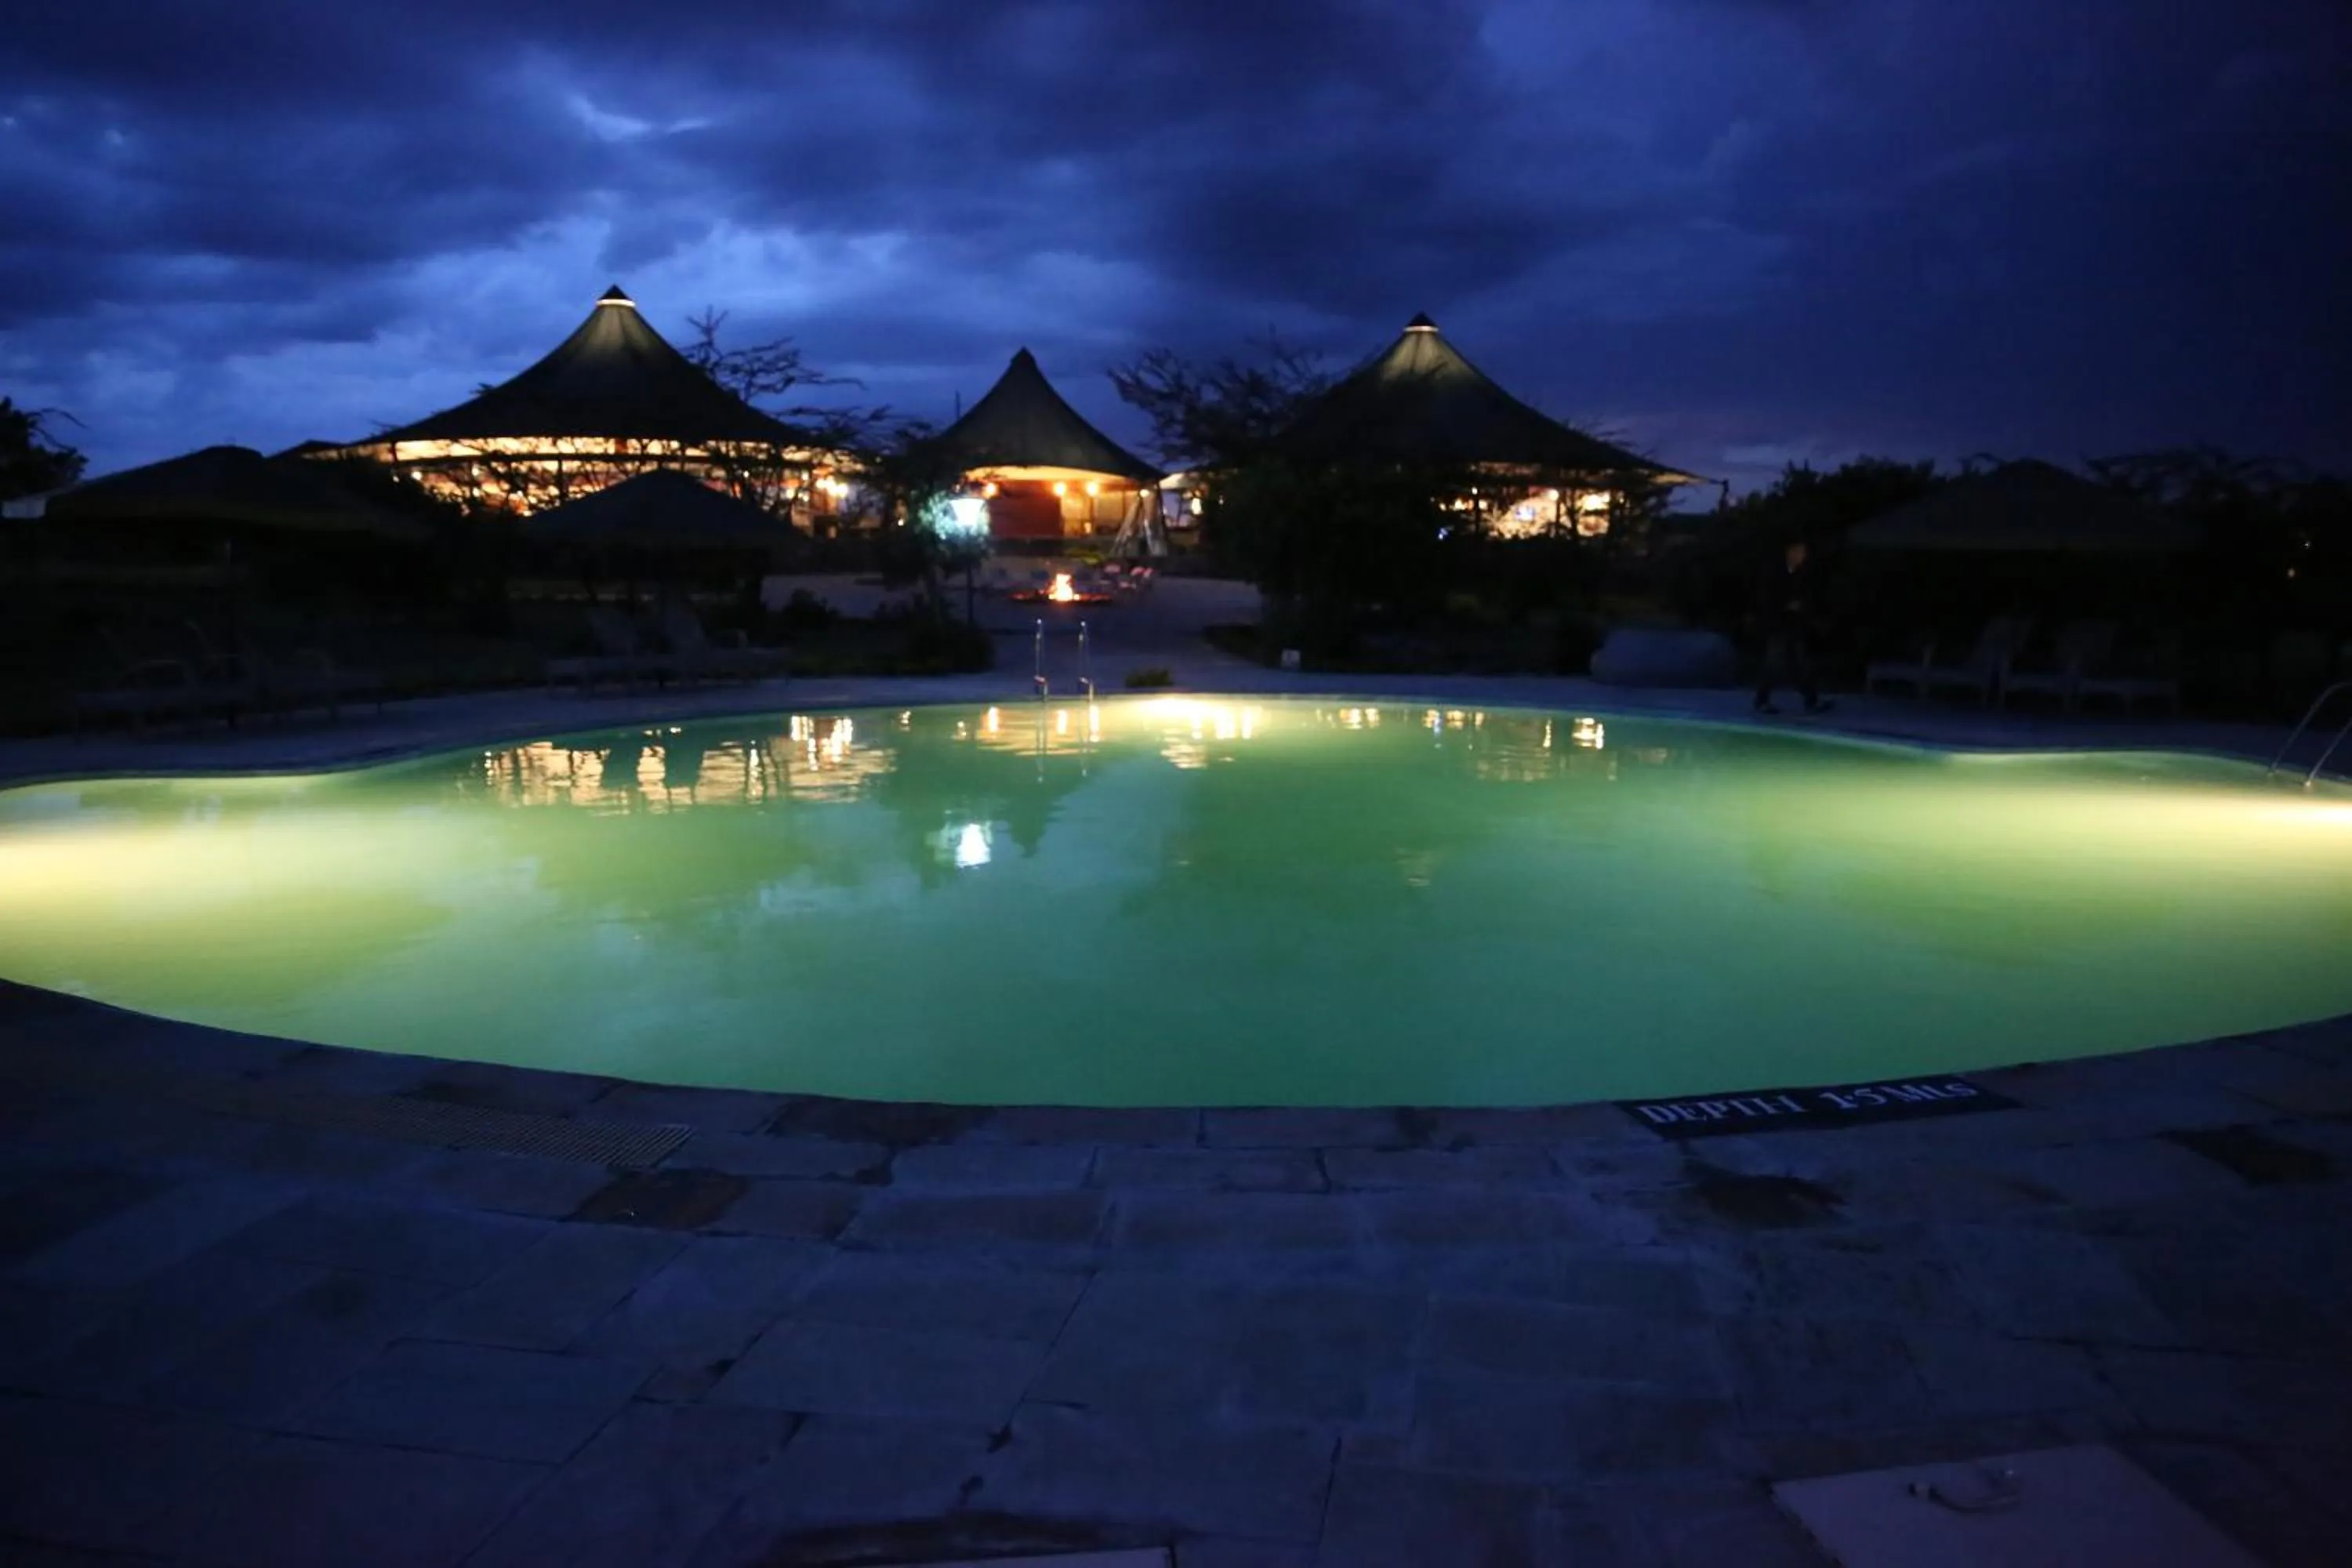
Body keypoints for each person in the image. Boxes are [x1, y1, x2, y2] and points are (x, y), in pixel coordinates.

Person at [1752, 539, 1833, 715]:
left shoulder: (1801, 574)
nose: (1802, 556)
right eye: (1799, 552)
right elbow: (1766, 598)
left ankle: (1811, 700)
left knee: (1801, 663)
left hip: (1794, 624)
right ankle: (1762, 700)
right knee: (1774, 664)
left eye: (1804, 553)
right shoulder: (1775, 573)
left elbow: (1807, 596)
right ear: (1790, 552)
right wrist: (1785, 605)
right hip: (1777, 624)